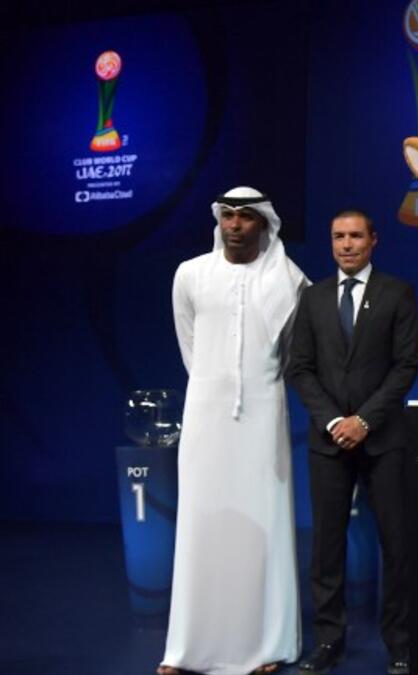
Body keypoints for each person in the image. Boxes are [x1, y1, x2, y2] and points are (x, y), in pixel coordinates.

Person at [160, 186, 309, 675]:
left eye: (246, 216)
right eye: (228, 215)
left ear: (263, 222)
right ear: (219, 220)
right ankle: (187, 648)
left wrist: (253, 383)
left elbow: (292, 353)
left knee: (264, 523)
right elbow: (189, 344)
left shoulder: (289, 279)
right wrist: (217, 384)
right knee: (201, 525)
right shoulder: (190, 275)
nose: (236, 225)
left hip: (264, 411)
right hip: (206, 412)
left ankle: (268, 645)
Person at [287, 209, 418, 675]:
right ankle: (329, 640)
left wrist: (364, 420)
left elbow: (405, 366)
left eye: (355, 236)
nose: (346, 244)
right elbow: (300, 368)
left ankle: (400, 644)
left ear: (373, 240)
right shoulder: (313, 298)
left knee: (397, 545)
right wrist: (332, 422)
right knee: (327, 546)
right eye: (338, 236)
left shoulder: (397, 292)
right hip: (328, 443)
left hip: (384, 440)